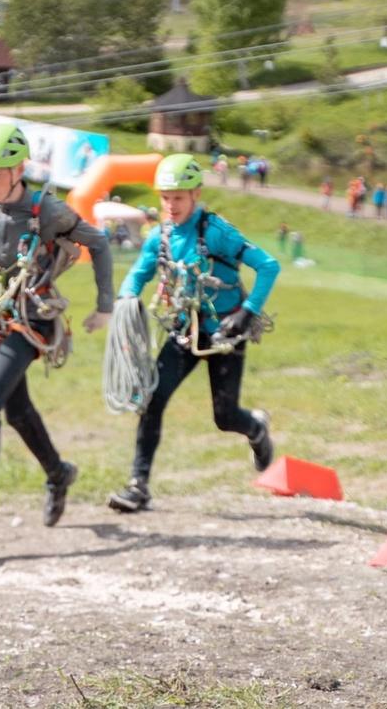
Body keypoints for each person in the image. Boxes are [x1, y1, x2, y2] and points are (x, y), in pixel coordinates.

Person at [0, 125, 113, 551]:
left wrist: (105, 305)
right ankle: (58, 472)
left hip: (32, 320)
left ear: (18, 169)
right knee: (15, 410)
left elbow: (99, 244)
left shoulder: (46, 211)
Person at [108, 154, 280, 513]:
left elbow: (268, 266)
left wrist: (248, 314)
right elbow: (139, 274)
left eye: (179, 198)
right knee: (152, 401)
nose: (171, 205)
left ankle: (257, 430)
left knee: (224, 417)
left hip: (226, 333)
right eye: (165, 197)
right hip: (184, 331)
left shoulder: (217, 232)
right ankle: (138, 485)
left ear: (196, 194)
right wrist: (127, 297)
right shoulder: (159, 237)